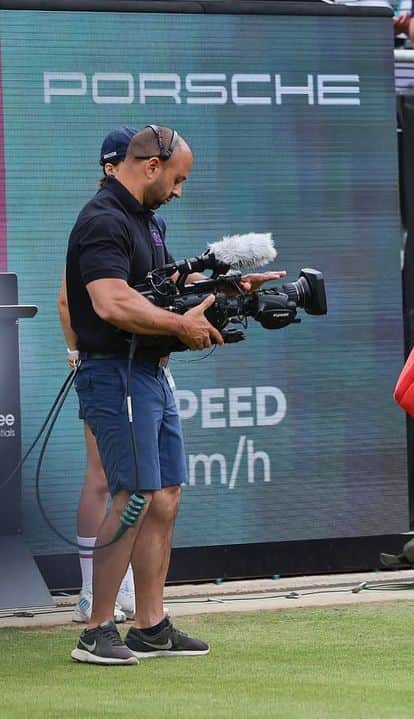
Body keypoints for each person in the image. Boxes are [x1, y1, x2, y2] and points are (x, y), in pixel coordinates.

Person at [66, 125, 284, 665]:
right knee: (134, 494)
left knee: (164, 496)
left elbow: (162, 289)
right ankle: (96, 629)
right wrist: (177, 324)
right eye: (178, 179)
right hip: (116, 373)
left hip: (150, 373)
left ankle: (150, 625)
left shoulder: (148, 221)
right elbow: (112, 302)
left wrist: (232, 289)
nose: (180, 191)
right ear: (150, 166)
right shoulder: (102, 220)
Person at [58, 127, 139, 625]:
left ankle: (121, 591)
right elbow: (69, 297)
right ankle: (91, 594)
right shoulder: (100, 219)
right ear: (111, 168)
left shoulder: (138, 221)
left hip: (139, 368)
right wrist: (76, 353)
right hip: (102, 367)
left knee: (137, 482)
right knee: (104, 476)